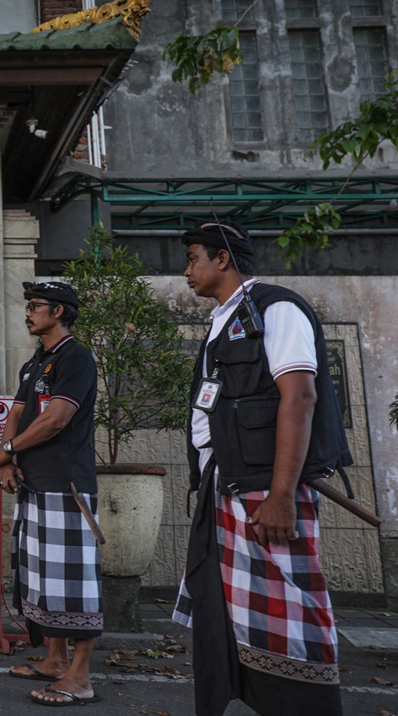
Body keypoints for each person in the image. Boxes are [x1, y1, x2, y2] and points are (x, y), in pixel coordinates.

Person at [174, 221, 349, 716]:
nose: (187, 270)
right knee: (225, 612)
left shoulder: (278, 308)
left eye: (193, 258)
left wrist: (280, 496)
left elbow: (299, 397)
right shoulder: (225, 320)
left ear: (222, 259)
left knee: (289, 616)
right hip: (225, 486)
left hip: (263, 492)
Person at [0, 281, 102, 707]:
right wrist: (6, 459)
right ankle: (55, 660)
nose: (28, 312)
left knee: (74, 584)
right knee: (42, 581)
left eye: (35, 306)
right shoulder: (36, 362)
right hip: (35, 483)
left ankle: (80, 677)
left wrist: (6, 450)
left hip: (66, 486)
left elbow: (56, 420)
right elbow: (17, 412)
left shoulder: (76, 357)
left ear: (58, 311)